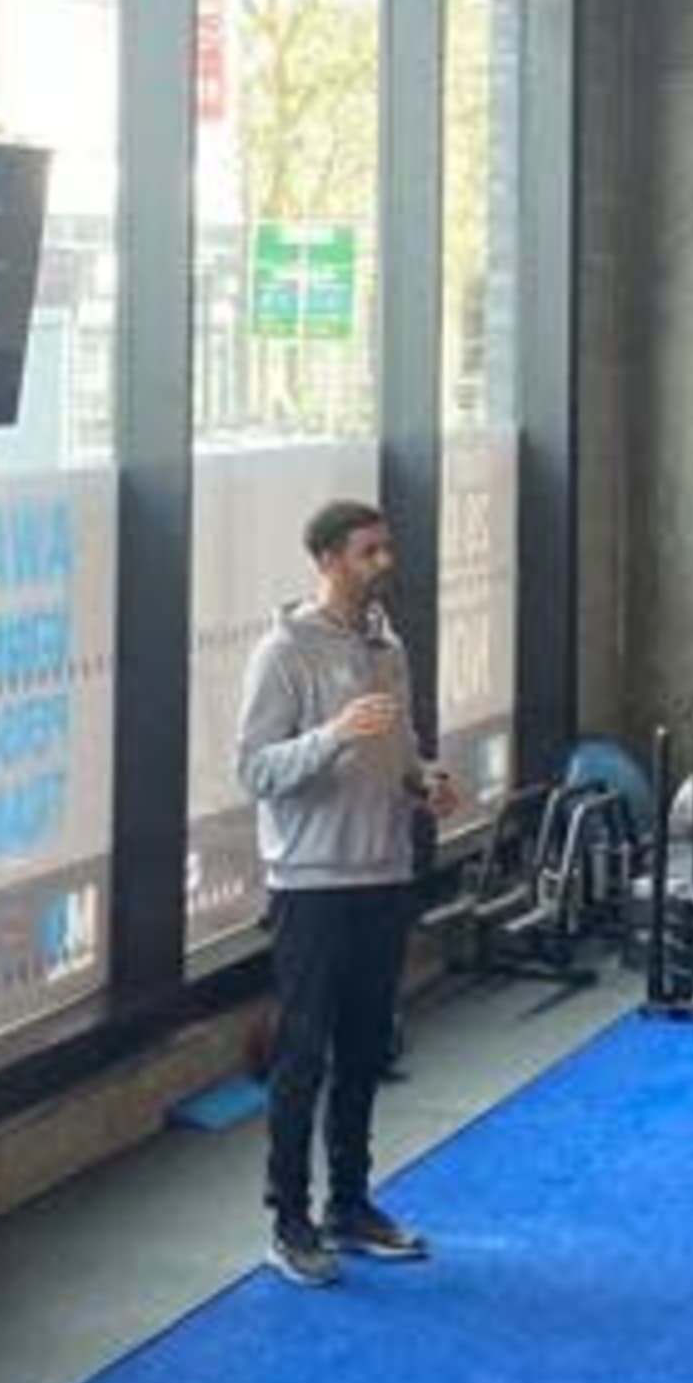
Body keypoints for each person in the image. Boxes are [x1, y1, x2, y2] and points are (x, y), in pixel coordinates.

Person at [232, 496, 459, 1287]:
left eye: (386, 549)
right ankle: (288, 1221)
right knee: (303, 1053)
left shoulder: (387, 646)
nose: (383, 565)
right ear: (327, 560)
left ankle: (351, 1205)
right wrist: (332, 736)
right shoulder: (282, 653)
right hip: (313, 882)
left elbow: (397, 751)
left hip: (382, 872)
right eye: (368, 552)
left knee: (367, 1047)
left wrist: (422, 782)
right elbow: (255, 771)